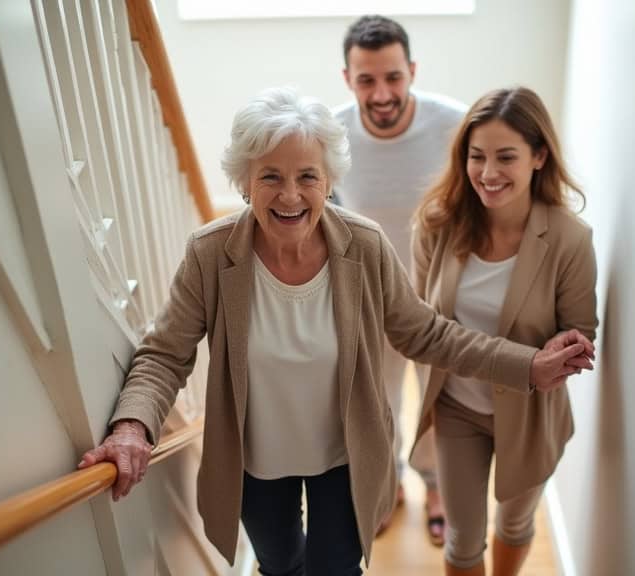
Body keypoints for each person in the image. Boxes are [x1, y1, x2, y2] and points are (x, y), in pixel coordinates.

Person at [78, 87, 594, 576]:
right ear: (244, 181)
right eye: (270, 177)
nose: (291, 195)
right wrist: (132, 427)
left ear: (329, 180)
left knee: (337, 569)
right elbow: (165, 353)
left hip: (345, 454)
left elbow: (427, 334)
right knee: (280, 566)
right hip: (256, 458)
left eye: (307, 176)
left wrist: (526, 364)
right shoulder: (211, 255)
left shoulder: (364, 247)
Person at [410, 87, 599, 576]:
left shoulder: (570, 239)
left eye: (506, 157)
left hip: (533, 415)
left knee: (515, 526)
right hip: (457, 408)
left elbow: (581, 329)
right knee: (463, 540)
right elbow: (420, 325)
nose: (488, 173)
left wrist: (566, 344)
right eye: (477, 157)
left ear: (539, 156)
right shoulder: (437, 224)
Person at [334, 14, 468, 544]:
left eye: (393, 77)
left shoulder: (455, 124)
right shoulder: (332, 134)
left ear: (411, 70)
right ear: (348, 79)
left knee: (438, 400)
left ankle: (436, 487)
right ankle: (386, 484)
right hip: (370, 295)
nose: (382, 93)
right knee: (376, 403)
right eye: (367, 80)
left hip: (437, 296)